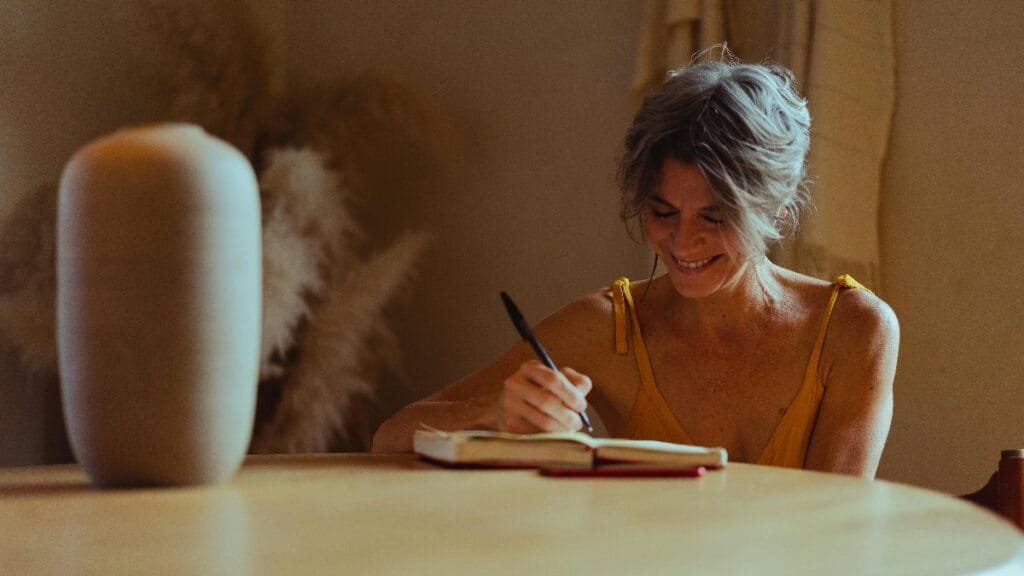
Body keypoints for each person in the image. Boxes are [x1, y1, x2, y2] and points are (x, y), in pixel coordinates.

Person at [372, 50, 899, 478]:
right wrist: (492, 416)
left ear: (777, 210)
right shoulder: (607, 329)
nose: (683, 242)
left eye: (715, 217)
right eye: (662, 211)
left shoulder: (853, 330)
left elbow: (839, 533)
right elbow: (391, 434)